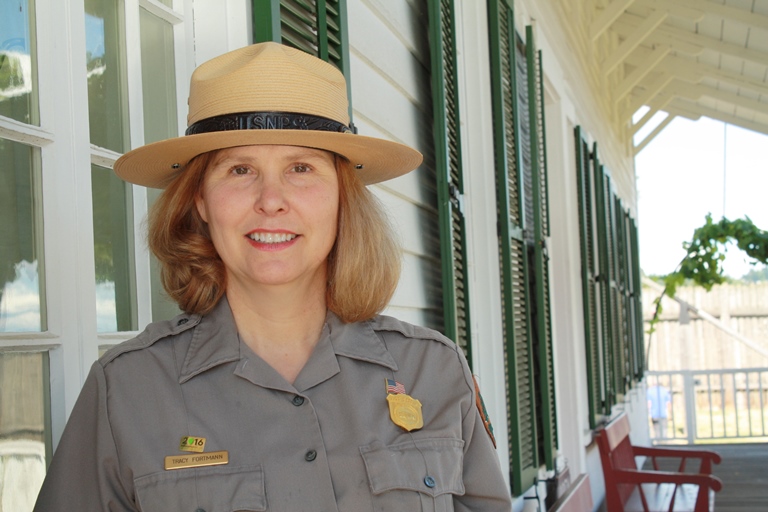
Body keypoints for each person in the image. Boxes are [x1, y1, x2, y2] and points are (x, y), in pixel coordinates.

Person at [33, 42, 512, 511]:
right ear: (200, 200)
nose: (270, 199)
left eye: (301, 168)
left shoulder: (433, 371)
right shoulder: (127, 390)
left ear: (343, 197)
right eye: (240, 170)